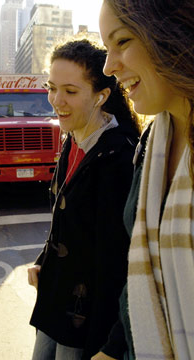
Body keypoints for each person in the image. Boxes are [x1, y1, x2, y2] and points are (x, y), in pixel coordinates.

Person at [92, 1, 194, 359]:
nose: (109, 66)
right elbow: (144, 272)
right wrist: (113, 348)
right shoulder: (150, 145)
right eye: (107, 49)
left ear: (173, 31)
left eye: (122, 42)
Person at [27, 39, 139, 360]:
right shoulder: (72, 138)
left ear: (102, 95)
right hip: (53, 301)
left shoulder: (119, 155)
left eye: (70, 91)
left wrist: (112, 345)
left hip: (86, 318)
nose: (56, 101)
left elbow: (122, 262)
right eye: (52, 88)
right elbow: (70, 223)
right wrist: (42, 260)